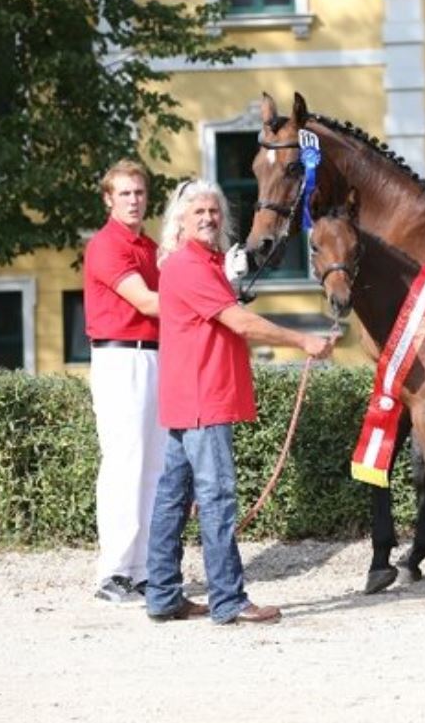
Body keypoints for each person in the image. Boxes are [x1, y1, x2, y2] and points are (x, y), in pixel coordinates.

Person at [146, 179, 334, 623]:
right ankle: (228, 600)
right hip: (202, 397)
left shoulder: (197, 263)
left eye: (214, 212)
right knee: (216, 498)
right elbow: (240, 322)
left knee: (173, 497)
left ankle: (163, 595)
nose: (210, 218)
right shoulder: (190, 266)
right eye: (200, 213)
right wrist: (302, 339)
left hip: (187, 397)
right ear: (181, 221)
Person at [83, 159, 165, 605]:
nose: (134, 200)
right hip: (120, 360)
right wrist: (200, 295)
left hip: (154, 357)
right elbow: (148, 302)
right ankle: (113, 573)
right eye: (125, 193)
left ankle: (144, 571)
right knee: (124, 466)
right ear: (108, 199)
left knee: (153, 467)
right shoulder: (106, 246)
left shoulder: (150, 248)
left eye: (139, 192)